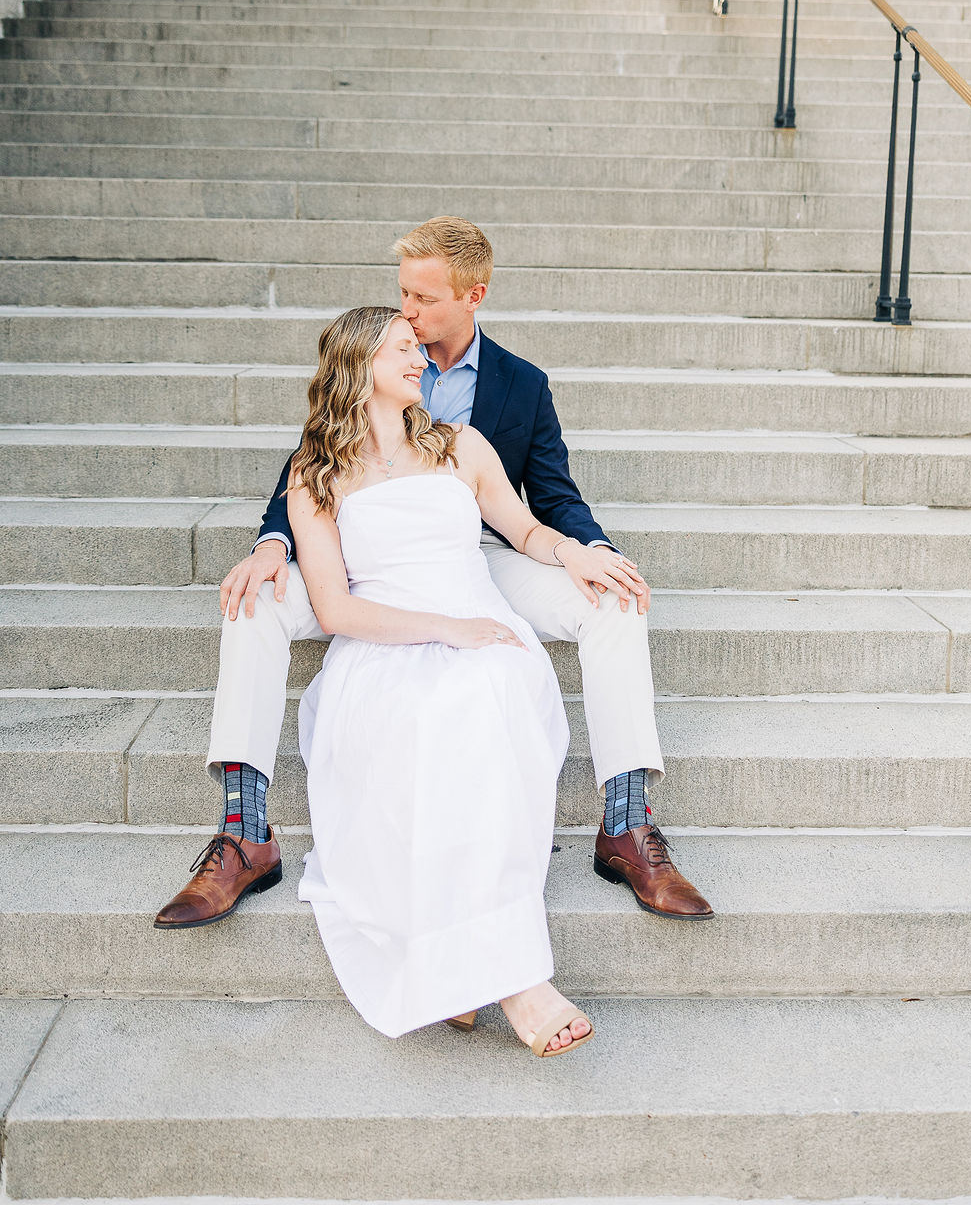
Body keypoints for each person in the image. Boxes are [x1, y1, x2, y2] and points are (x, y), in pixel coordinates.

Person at [154, 218, 712, 940]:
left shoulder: (520, 386)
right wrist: (272, 543)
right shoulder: (374, 350)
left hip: (482, 559)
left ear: (473, 295)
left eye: (423, 299)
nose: (408, 312)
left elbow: (548, 497)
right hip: (361, 557)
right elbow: (311, 462)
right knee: (252, 605)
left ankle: (628, 826)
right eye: (402, 296)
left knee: (615, 603)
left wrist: (585, 549)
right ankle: (244, 832)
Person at [276, 305, 593, 1051]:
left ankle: (471, 971)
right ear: (358, 365)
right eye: (403, 349)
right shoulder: (316, 476)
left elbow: (524, 530)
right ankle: (518, 985)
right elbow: (334, 606)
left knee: (482, 698)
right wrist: (440, 631)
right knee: (419, 719)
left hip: (479, 627)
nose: (421, 358)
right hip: (384, 642)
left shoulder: (463, 447)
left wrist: (575, 553)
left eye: (418, 348)